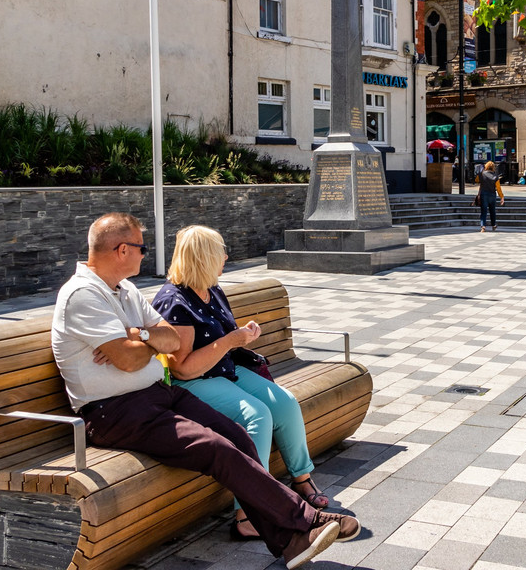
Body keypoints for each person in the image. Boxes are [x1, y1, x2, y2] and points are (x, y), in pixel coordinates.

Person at [51, 213, 358, 569]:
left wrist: (140, 335)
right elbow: (129, 361)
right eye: (142, 247)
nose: (145, 255)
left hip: (156, 395)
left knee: (237, 436)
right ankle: (307, 522)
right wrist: (140, 341)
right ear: (122, 249)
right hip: (114, 412)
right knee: (214, 448)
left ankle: (288, 542)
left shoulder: (125, 290)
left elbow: (166, 338)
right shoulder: (82, 295)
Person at [152, 226, 330, 541]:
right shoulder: (174, 300)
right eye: (220, 251)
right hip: (194, 382)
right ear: (204, 257)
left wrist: (243, 335)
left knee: (284, 403)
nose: (226, 257)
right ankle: (247, 515)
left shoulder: (212, 289)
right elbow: (183, 369)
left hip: (226, 369)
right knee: (256, 415)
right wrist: (232, 339)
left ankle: (301, 479)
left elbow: (224, 337)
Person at [478, 160, 504, 232]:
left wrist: (482, 172)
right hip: (492, 194)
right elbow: (498, 188)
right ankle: (493, 225)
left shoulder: (482, 174)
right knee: (492, 210)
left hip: (484, 194)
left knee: (484, 210)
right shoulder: (495, 176)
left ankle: (483, 226)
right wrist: (501, 196)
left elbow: (477, 180)